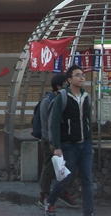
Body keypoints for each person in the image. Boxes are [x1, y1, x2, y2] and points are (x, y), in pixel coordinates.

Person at [45, 65, 94, 216]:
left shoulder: (86, 96)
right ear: (69, 79)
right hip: (69, 145)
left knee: (87, 178)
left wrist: (89, 140)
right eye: (77, 75)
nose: (81, 78)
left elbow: (87, 120)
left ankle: (89, 212)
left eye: (83, 75)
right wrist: (57, 146)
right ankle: (51, 201)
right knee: (66, 177)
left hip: (84, 144)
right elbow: (54, 123)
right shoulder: (63, 97)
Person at [35, 73, 78, 209]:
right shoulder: (49, 100)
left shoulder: (59, 98)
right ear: (59, 85)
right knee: (49, 168)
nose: (69, 85)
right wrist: (52, 142)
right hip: (51, 141)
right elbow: (49, 124)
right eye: (66, 83)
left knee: (63, 168)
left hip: (61, 140)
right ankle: (44, 195)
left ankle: (61, 191)